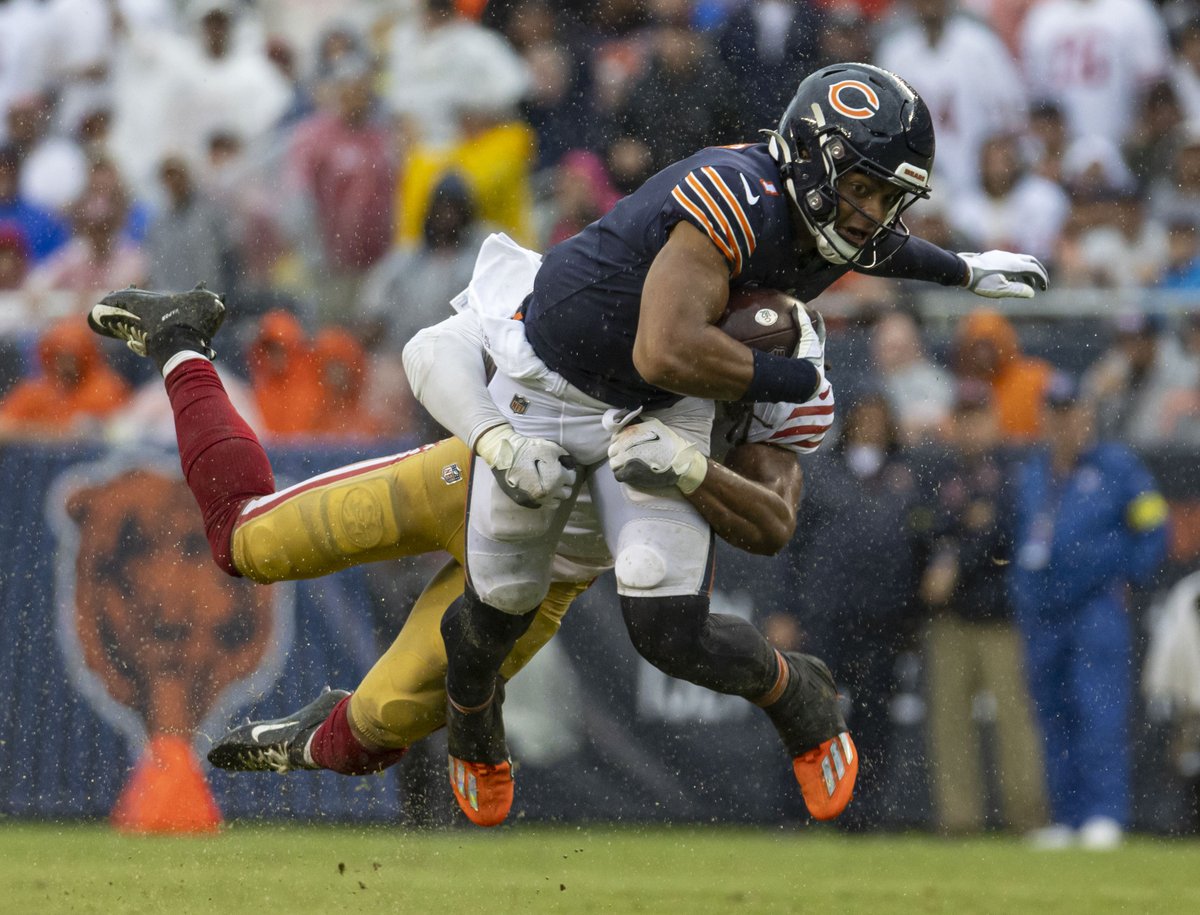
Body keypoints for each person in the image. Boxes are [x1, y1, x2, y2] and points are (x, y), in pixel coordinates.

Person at [400, 62, 1048, 827]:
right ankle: (473, 712)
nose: (872, 213)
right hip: (552, 381)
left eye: (885, 195)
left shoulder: (827, 211)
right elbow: (664, 350)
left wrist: (965, 269)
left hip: (662, 403)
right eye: (861, 189)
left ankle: (796, 691)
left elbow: (873, 248)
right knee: (498, 607)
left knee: (667, 624)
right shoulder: (734, 194)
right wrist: (795, 380)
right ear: (810, 163)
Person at [84, 283, 838, 813]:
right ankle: (180, 337)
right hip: (472, 481)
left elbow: (774, 517)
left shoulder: (771, 413)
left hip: (550, 572)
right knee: (246, 540)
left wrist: (693, 465)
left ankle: (318, 731)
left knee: (374, 732)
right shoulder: (651, 317)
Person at [1011, 372, 1168, 849]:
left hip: (1095, 607)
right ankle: (1067, 815)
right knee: (1053, 713)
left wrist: (1127, 576)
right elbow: (1021, 538)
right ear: (1045, 419)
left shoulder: (1118, 468)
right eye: (1055, 415)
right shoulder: (1033, 472)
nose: (1064, 425)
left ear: (1087, 417)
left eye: (1072, 414)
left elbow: (1155, 527)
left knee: (1098, 709)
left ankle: (1104, 814)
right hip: (1043, 612)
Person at [917, 380, 1046, 835]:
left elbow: (1007, 534)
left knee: (1015, 724)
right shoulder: (940, 470)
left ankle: (1026, 819)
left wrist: (960, 553)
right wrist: (966, 528)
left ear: (993, 420)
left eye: (978, 417)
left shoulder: (1013, 469)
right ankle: (960, 821)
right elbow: (926, 527)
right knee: (950, 725)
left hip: (1000, 617)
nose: (970, 427)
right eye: (963, 418)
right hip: (949, 618)